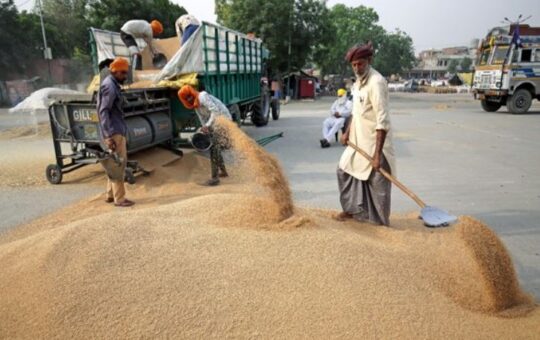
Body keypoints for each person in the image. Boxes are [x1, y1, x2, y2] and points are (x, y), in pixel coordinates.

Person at [335, 42, 396, 226]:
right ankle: (353, 210)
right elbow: (356, 112)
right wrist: (346, 133)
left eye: (360, 64)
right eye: (353, 65)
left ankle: (380, 223)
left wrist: (377, 155)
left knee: (378, 184)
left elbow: (382, 121)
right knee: (344, 171)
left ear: (369, 61)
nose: (357, 68)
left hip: (376, 143)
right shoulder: (358, 83)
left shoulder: (376, 82)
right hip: (357, 140)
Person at [97, 57, 135, 207]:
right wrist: (107, 136)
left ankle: (110, 195)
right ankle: (120, 199)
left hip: (115, 129)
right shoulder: (110, 87)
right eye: (123, 73)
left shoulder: (112, 84)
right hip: (114, 131)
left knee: (114, 163)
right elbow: (103, 111)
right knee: (119, 164)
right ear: (115, 71)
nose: (125, 76)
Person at [178, 85, 232, 186]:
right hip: (214, 122)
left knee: (214, 147)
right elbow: (202, 118)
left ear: (192, 93)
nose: (189, 99)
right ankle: (223, 172)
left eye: (189, 96)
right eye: (186, 98)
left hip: (223, 119)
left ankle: (214, 178)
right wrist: (204, 129)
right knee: (214, 146)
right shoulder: (194, 105)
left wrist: (207, 125)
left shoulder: (202, 96)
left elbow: (215, 111)